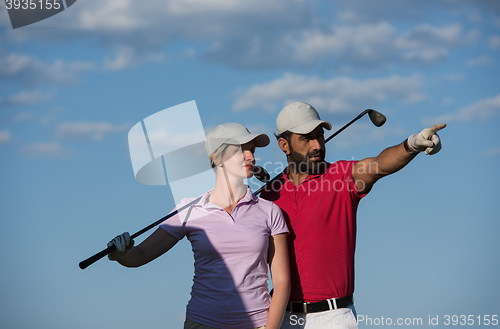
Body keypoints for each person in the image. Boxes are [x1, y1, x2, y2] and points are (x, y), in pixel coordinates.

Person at [260, 102, 446, 329]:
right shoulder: (269, 195)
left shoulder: (342, 177)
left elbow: (379, 165)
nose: (317, 145)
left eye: (320, 136)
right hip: (282, 318)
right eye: (306, 138)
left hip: (333, 318)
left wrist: (412, 145)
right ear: (284, 145)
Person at [108, 122, 291, 329]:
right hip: (203, 323)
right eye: (241, 149)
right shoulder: (189, 209)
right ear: (217, 157)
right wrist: (121, 254)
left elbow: (282, 281)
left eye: (252, 150)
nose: (251, 156)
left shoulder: (269, 210)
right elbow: (140, 255)